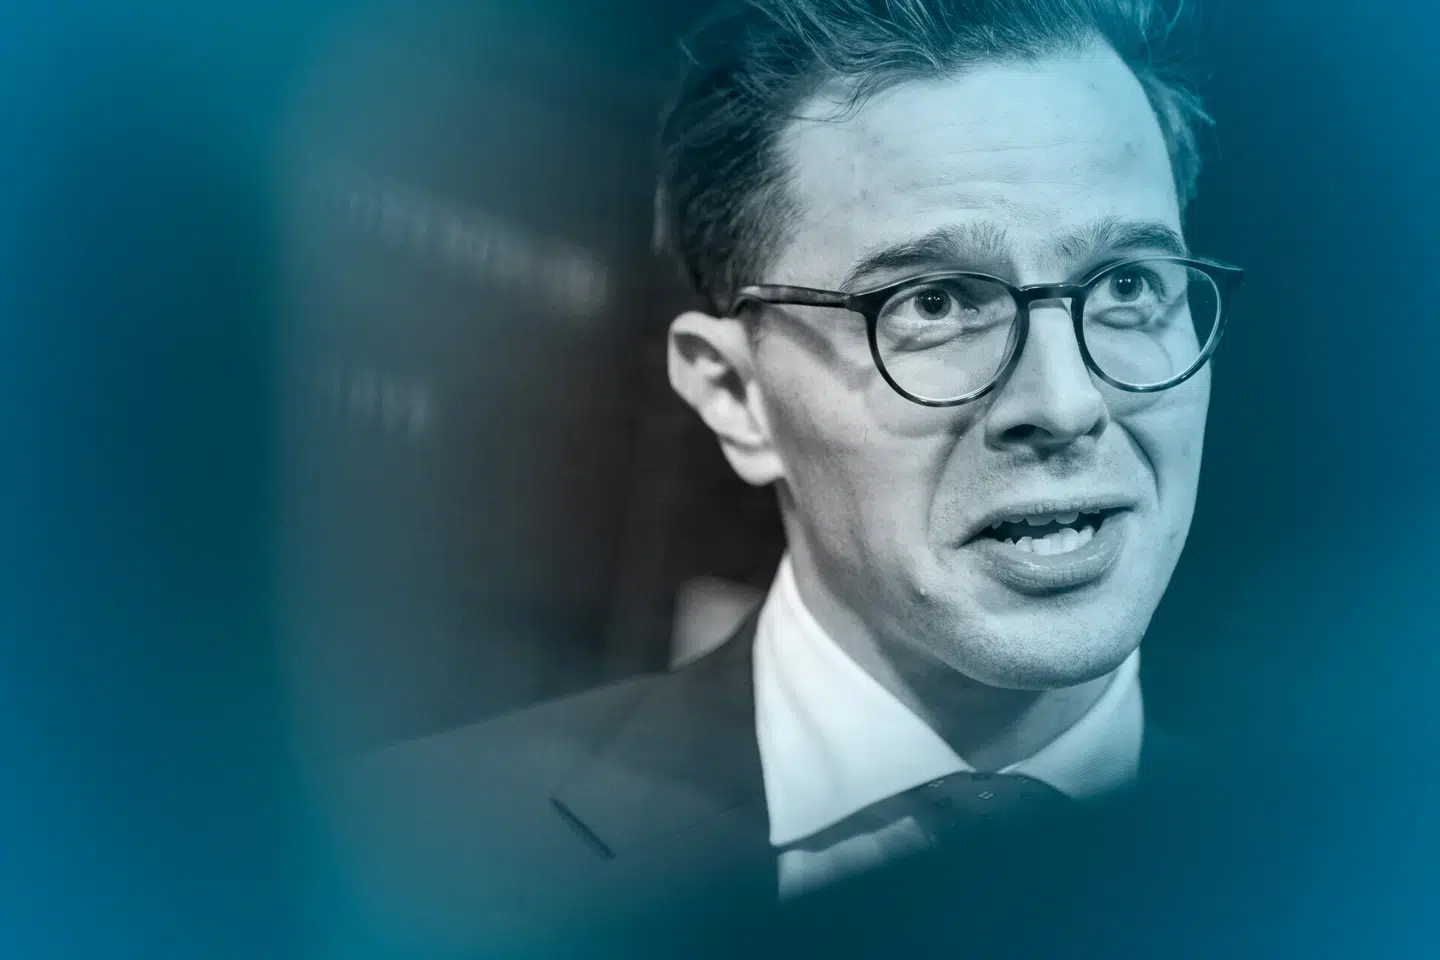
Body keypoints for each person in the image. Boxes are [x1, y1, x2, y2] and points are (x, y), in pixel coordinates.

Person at [331, 0, 1244, 951]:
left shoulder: (1334, 853)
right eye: (934, 303)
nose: (1063, 402)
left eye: (1131, 283)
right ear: (737, 396)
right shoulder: (395, 865)